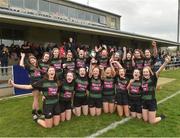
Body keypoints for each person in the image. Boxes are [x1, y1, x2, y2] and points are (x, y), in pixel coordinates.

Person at [141, 56, 171, 124]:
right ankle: (151, 114)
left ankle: (162, 117)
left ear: (149, 72)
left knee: (151, 121)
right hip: (144, 101)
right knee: (145, 120)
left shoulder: (153, 77)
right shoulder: (142, 79)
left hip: (151, 101)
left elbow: (160, 70)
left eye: (146, 72)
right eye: (144, 72)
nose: (145, 73)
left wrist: (165, 62)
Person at [19, 53, 42, 118]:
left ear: (36, 60)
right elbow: (21, 64)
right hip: (34, 84)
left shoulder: (38, 66)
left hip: (39, 83)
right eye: (31, 60)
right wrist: (23, 56)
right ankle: (37, 112)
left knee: (37, 98)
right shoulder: (29, 66)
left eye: (33, 59)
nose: (33, 61)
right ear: (30, 61)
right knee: (36, 98)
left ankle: (34, 111)